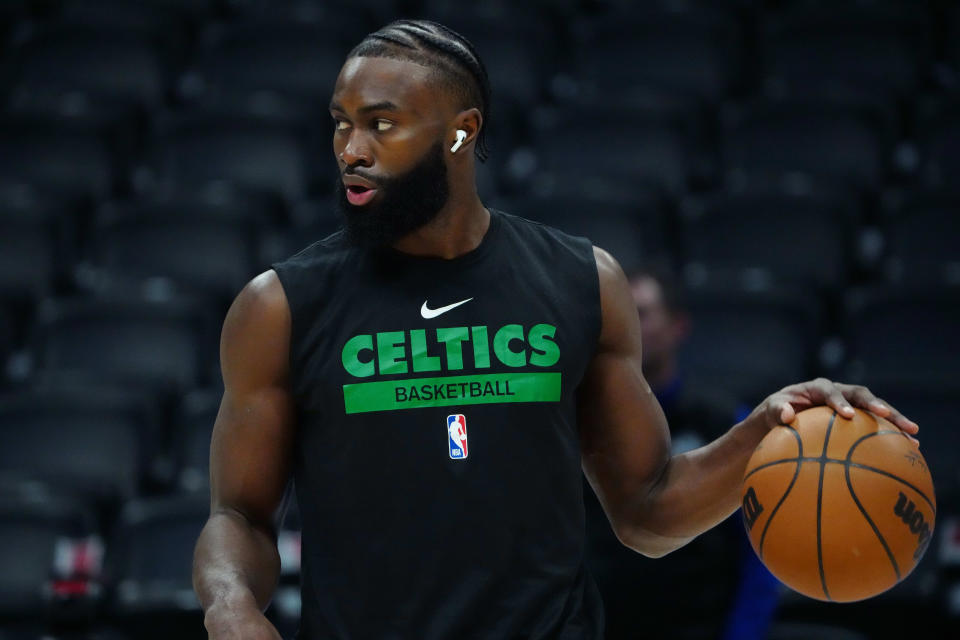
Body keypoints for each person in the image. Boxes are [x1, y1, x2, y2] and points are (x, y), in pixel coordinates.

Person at [192, 20, 919, 640]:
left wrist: (764, 431)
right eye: (341, 122)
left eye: (380, 123)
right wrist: (229, 602)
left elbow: (648, 509)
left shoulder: (580, 282)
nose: (351, 148)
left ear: (461, 132)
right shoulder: (282, 305)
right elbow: (240, 515)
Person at [583, 264, 779, 639]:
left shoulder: (726, 422)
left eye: (641, 312)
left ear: (678, 327)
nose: (628, 325)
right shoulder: (582, 419)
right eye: (618, 314)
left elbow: (760, 549)